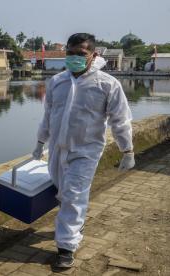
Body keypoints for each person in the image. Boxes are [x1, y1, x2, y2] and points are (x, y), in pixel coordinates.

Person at [32, 33, 135, 268]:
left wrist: (127, 150)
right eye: (71, 53)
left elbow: (121, 120)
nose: (75, 58)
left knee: (73, 195)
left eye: (81, 54)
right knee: (61, 192)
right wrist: (40, 142)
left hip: (86, 151)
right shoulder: (57, 82)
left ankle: (65, 248)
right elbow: (48, 115)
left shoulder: (107, 84)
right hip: (57, 149)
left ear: (94, 55)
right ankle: (74, 225)